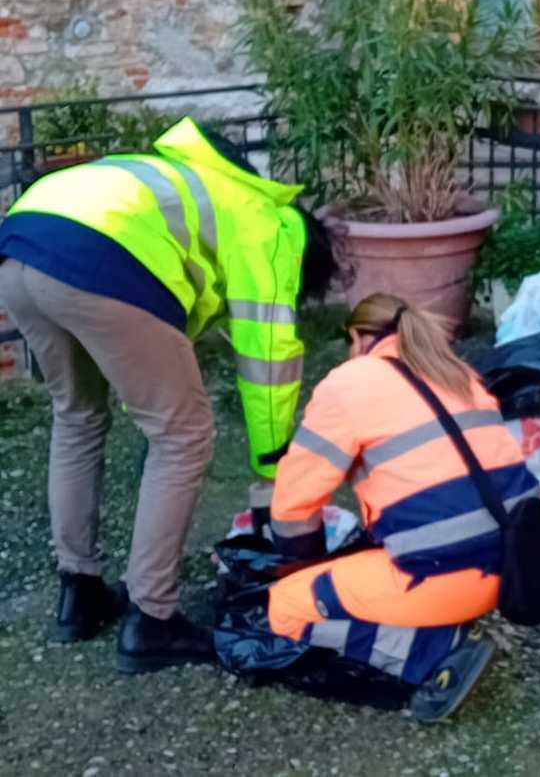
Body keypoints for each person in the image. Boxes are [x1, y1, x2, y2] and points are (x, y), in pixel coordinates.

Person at [0, 117, 339, 673]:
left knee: (78, 416)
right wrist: (272, 466)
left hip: (20, 248)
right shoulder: (272, 226)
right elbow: (269, 362)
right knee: (182, 435)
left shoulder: (186, 181)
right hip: (101, 260)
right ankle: (151, 620)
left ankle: (79, 595)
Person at [265, 293, 540, 721]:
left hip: (443, 577)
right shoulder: (459, 374)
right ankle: (434, 619)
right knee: (372, 568)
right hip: (515, 570)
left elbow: (295, 499)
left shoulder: (348, 381)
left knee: (285, 608)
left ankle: (433, 652)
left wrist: (300, 562)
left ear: (356, 339)